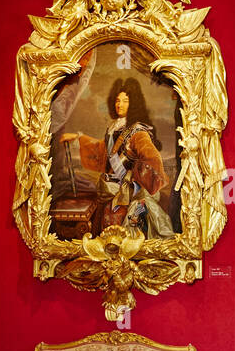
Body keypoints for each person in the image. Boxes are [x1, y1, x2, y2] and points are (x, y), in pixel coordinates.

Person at [58, 78, 173, 237]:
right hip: (109, 190)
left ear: (133, 103)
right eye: (118, 100)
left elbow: (152, 158)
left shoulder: (138, 131)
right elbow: (102, 150)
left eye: (125, 101)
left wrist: (134, 177)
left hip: (126, 195)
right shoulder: (114, 127)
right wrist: (78, 138)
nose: (120, 104)